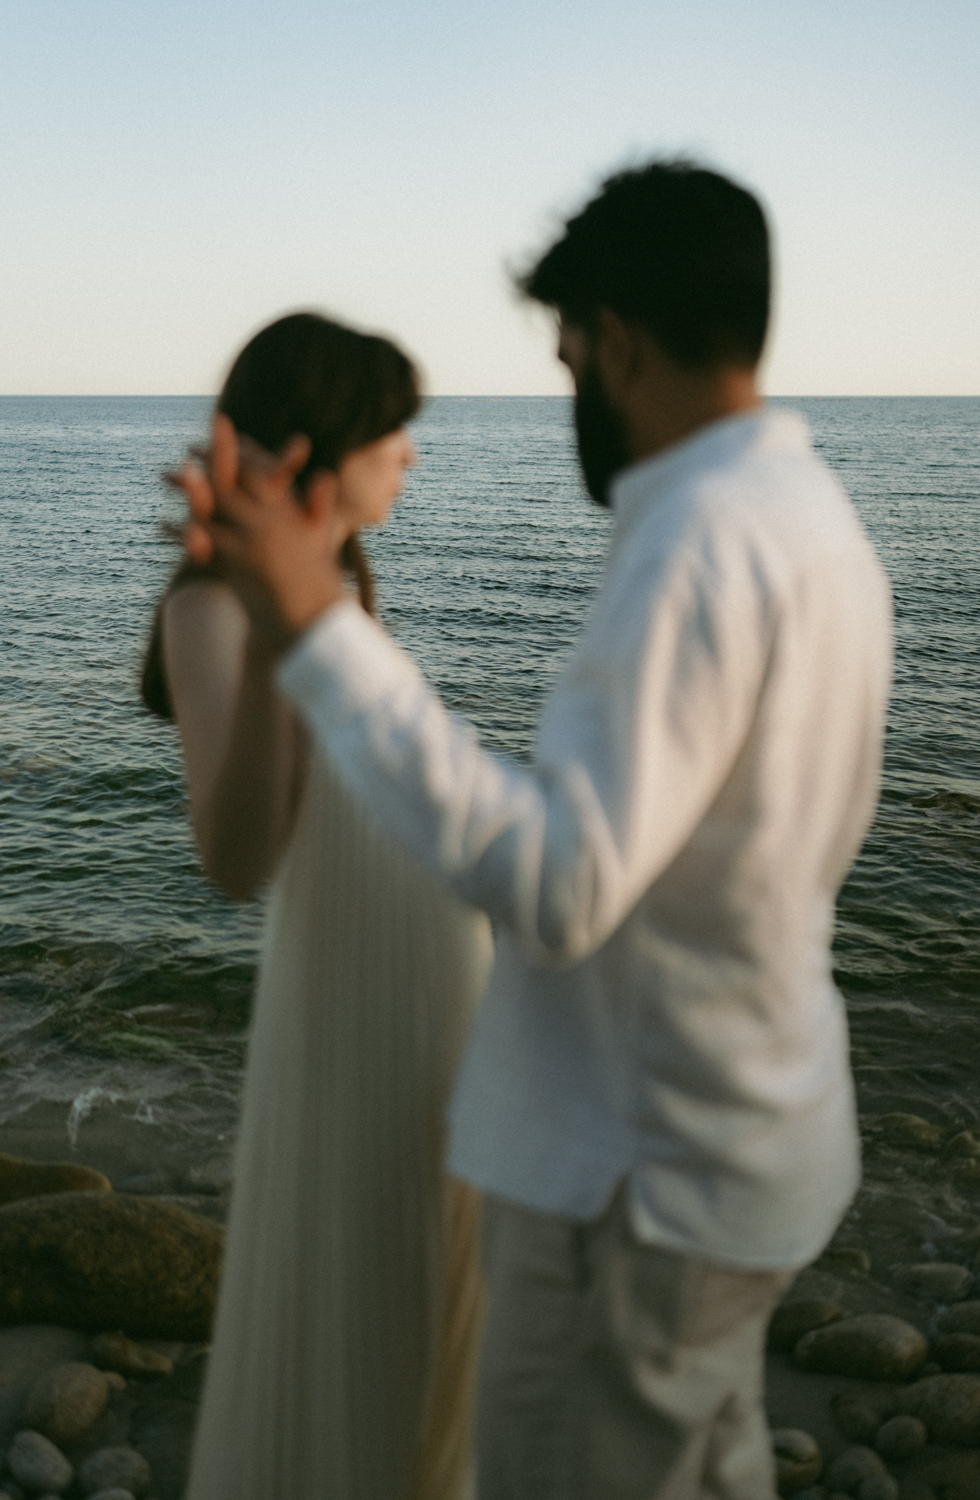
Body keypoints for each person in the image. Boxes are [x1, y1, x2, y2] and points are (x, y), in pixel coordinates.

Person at [179, 162, 893, 1500]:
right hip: (740, 1133)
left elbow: (566, 883)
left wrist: (317, 628)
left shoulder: (696, 543)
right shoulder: (814, 521)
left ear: (615, 342)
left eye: (566, 357)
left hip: (639, 1170)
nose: (566, 392)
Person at [144, 311, 493, 1500]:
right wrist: (280, 641)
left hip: (433, 991)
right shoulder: (211, 608)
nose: (410, 455)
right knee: (376, 1330)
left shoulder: (341, 587)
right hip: (361, 1009)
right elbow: (237, 855)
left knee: (439, 1334)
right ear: (318, 451)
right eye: (393, 432)